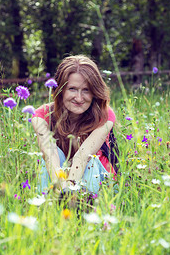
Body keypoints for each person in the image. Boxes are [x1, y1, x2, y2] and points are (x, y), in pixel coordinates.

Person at [32, 55, 118, 195]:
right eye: (72, 89)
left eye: (86, 90)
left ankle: (86, 208)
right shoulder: (42, 115)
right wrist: (62, 189)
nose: (79, 98)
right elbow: (50, 155)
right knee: (46, 158)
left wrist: (69, 189)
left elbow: (82, 156)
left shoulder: (105, 115)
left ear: (94, 93)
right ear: (60, 90)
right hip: (60, 181)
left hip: (100, 181)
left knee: (91, 161)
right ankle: (48, 206)